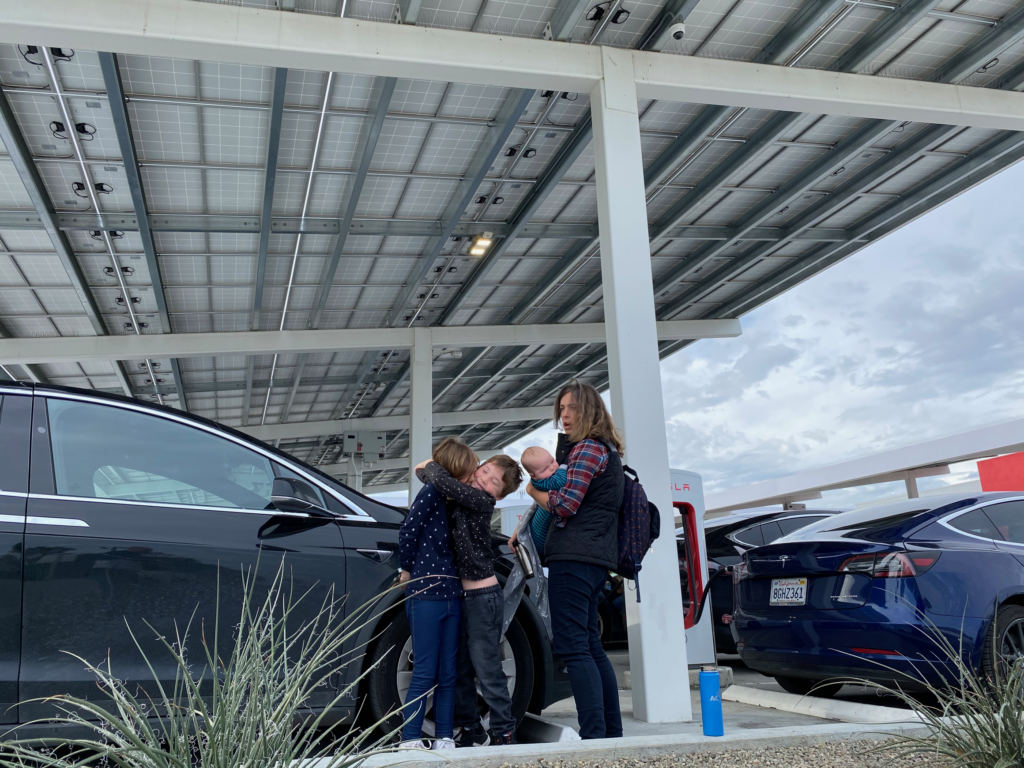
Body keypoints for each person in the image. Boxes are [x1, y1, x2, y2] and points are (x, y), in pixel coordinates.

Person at [525, 380, 625, 740]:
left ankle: (595, 735)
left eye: (571, 408)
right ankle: (608, 733)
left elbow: (566, 505)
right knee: (590, 646)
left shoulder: (586, 450)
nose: (564, 416)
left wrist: (534, 491)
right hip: (595, 560)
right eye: (561, 409)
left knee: (573, 647)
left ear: (589, 410)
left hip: (574, 558)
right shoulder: (607, 452)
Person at [415, 454, 523, 747]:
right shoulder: (461, 497)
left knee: (486, 667)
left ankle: (504, 731)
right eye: (484, 470)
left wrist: (430, 466)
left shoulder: (480, 501)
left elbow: (437, 477)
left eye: (493, 482)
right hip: (464, 597)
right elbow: (433, 481)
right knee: (460, 669)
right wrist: (428, 472)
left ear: (498, 496)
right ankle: (472, 728)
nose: (483, 479)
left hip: (483, 598)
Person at [397, 437, 478, 750]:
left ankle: (445, 736)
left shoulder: (454, 499)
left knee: (448, 672)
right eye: (470, 470)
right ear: (457, 467)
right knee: (425, 671)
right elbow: (409, 531)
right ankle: (410, 738)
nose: (473, 476)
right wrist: (406, 569)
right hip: (425, 595)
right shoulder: (432, 493)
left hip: (452, 595)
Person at [512, 445, 567, 558]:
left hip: (539, 535)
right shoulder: (544, 483)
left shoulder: (541, 479)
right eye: (545, 469)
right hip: (540, 539)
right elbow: (560, 482)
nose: (552, 468)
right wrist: (563, 467)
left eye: (552, 461)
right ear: (533, 476)